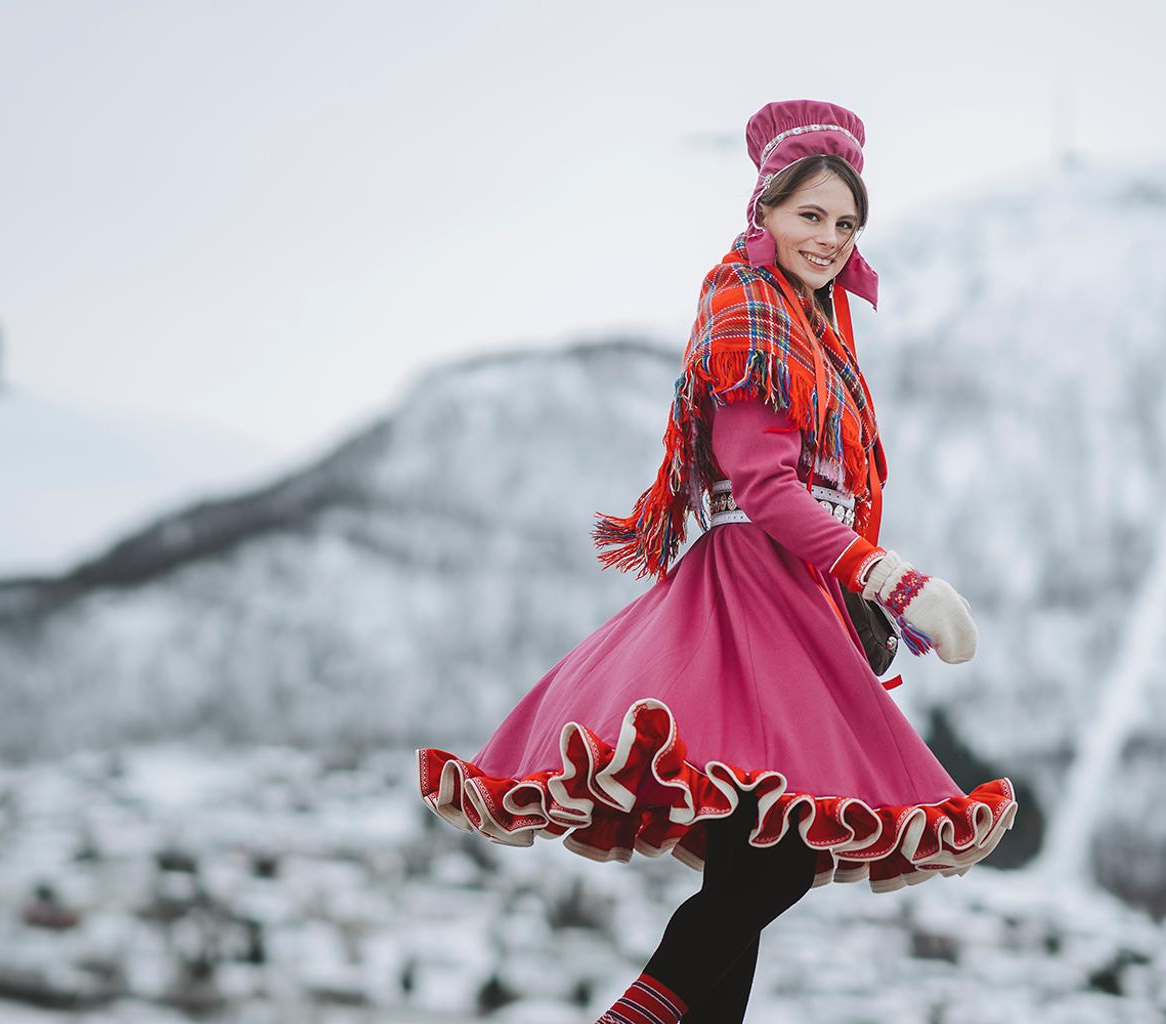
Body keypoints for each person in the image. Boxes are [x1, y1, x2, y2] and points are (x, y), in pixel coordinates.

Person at [413, 99, 1020, 1023]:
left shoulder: (814, 326)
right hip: (753, 591)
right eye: (810, 214)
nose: (828, 237)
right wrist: (891, 577)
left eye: (846, 223)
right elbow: (763, 485)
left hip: (794, 591)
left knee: (761, 848)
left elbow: (812, 493)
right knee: (775, 856)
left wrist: (857, 589)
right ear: (765, 211)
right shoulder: (749, 310)